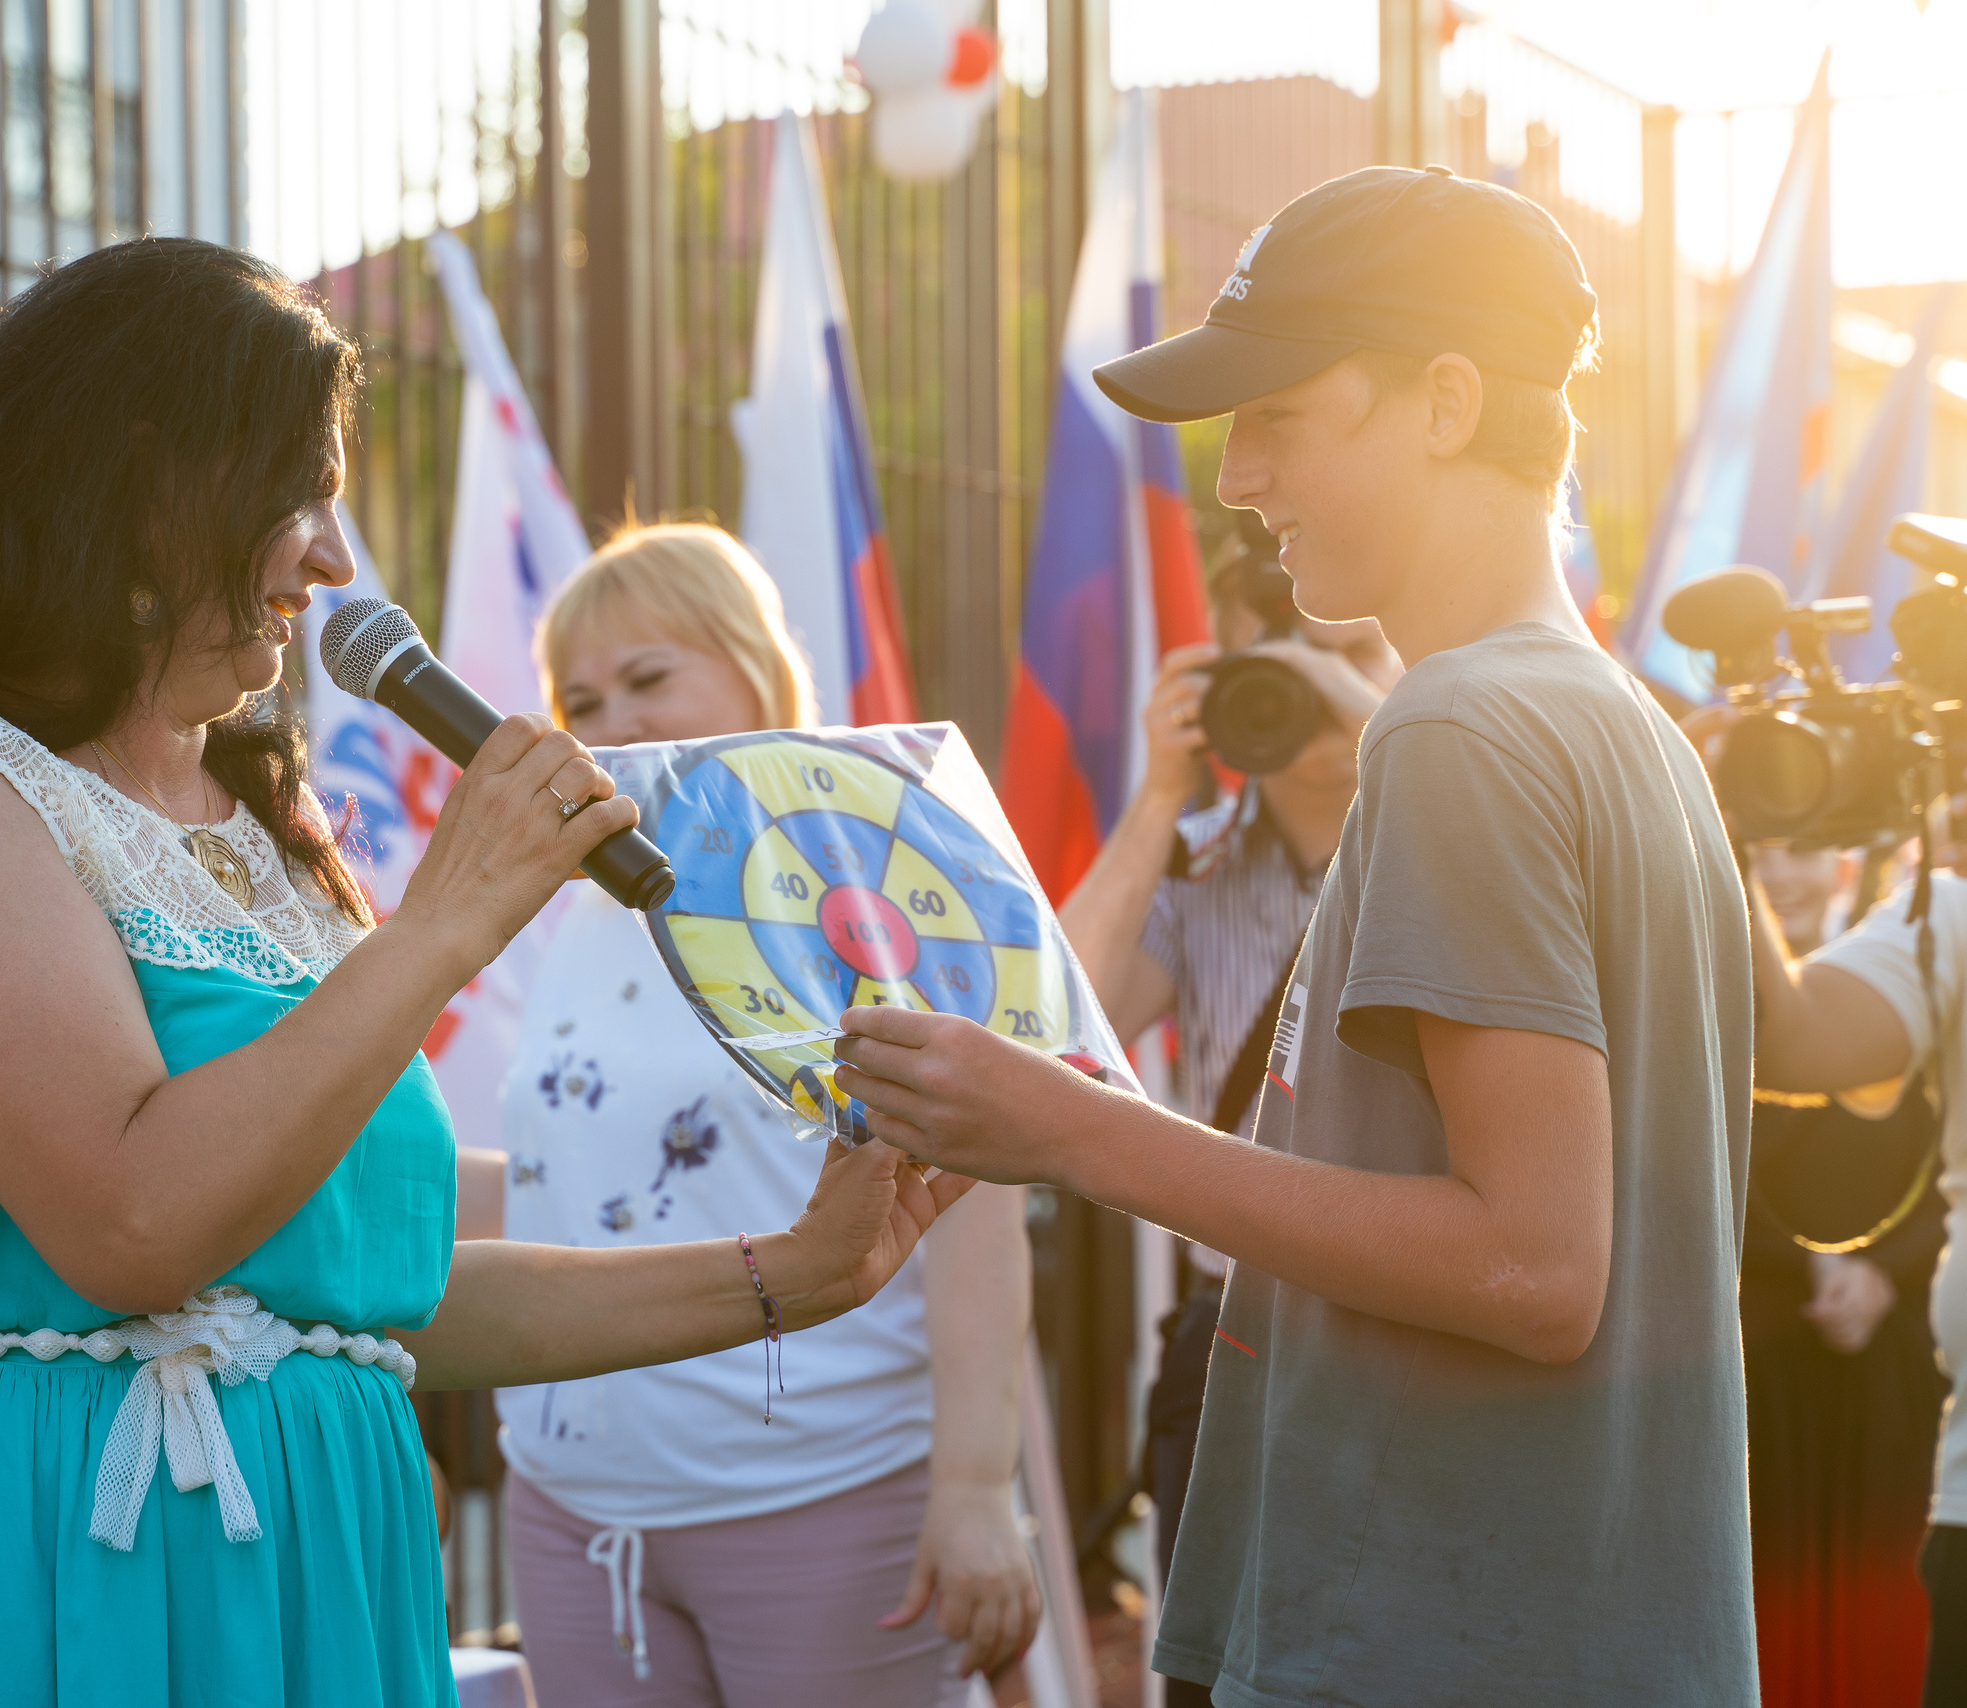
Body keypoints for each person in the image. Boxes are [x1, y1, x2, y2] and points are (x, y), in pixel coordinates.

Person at [0, 239, 967, 1707]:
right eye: (300, 494)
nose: (334, 559)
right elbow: (137, 1219)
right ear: (145, 479)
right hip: (28, 1562)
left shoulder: (274, 842)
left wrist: (799, 1275)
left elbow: (381, 1302)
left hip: (312, 1580)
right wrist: (442, 927)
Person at [831, 166, 1759, 1703]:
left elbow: (1536, 1266)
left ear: (1448, 400)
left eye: (1279, 416)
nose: (1239, 477)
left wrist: (1071, 1129)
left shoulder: (1461, 727)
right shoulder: (1618, 722)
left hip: (1446, 1645)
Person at [472, 523, 1040, 1706]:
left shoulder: (856, 887)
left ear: (755, 666)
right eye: (581, 696)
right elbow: (553, 1171)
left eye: (648, 675)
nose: (612, 717)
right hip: (571, 1516)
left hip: (824, 1505)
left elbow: (970, 1197)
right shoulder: (567, 910)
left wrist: (979, 1485)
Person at [1052, 539, 1394, 1707]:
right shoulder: (1191, 869)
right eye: (1277, 654)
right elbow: (1051, 1018)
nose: (1308, 679)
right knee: (1212, 1672)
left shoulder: (1454, 848)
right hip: (1233, 1330)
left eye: (1344, 646)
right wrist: (1158, 794)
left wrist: (1388, 733)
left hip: (1412, 1327)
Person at [1733, 833, 1967, 1708]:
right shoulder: (1941, 918)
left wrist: (1884, 1272)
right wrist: (1703, 814)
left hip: (1897, 1367)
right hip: (1782, 1345)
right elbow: (1772, 1039)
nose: (1787, 867)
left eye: (1807, 847)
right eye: (1768, 847)